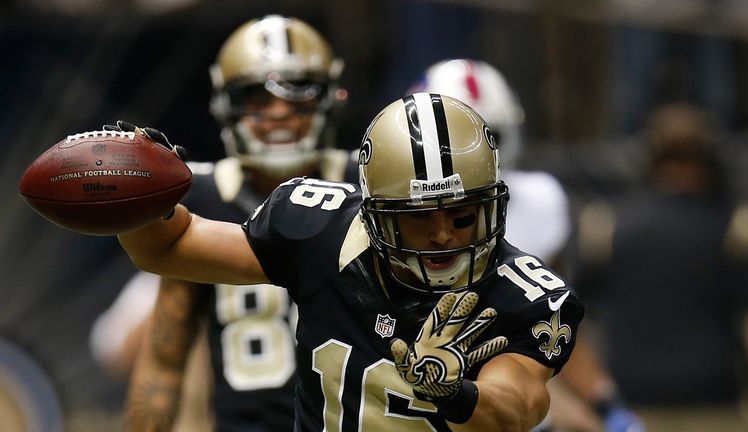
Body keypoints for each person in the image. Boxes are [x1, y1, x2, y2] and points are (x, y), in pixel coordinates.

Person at [91, 91, 586, 431]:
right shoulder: (319, 231)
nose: (442, 235)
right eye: (418, 218)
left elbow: (518, 408)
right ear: (374, 214)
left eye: (462, 216)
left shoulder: (528, 294)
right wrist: (141, 202)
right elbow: (170, 248)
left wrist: (456, 392)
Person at [105, 15, 356, 432]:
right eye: (258, 99)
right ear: (228, 107)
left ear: (328, 101)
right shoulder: (201, 196)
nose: (279, 115)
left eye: (298, 98)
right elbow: (164, 362)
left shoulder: (363, 185)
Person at [411, 58, 644, 432]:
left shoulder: (540, 201)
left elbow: (550, 318)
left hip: (506, 396)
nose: (466, 155)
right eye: (452, 140)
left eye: (487, 137)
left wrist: (606, 403)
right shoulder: (375, 212)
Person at [574, 102, 748, 431]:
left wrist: (599, 400)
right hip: (720, 413)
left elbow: (565, 324)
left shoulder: (607, 226)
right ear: (710, 158)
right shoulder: (739, 228)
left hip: (631, 414)